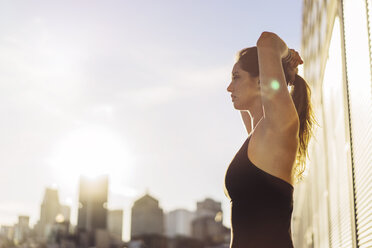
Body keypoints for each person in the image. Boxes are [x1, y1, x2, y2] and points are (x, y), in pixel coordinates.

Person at [224, 32, 317, 247]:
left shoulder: (277, 127)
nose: (229, 88)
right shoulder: (258, 135)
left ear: (261, 81)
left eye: (236, 77)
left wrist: (285, 58)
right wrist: (284, 69)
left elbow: (267, 41)